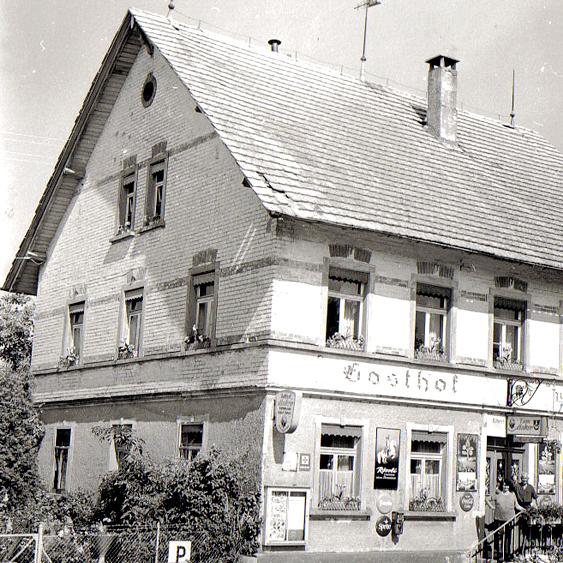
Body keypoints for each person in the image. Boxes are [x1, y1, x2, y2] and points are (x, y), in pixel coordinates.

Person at [486, 480, 525, 562]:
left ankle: (507, 555)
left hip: (509, 519)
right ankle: (498, 555)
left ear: (509, 487)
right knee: (498, 538)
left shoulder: (512, 495)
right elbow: (486, 499)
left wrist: (524, 509)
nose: (505, 487)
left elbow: (517, 505)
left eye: (507, 486)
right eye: (504, 485)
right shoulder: (498, 494)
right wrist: (492, 507)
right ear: (501, 486)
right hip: (499, 519)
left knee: (508, 537)